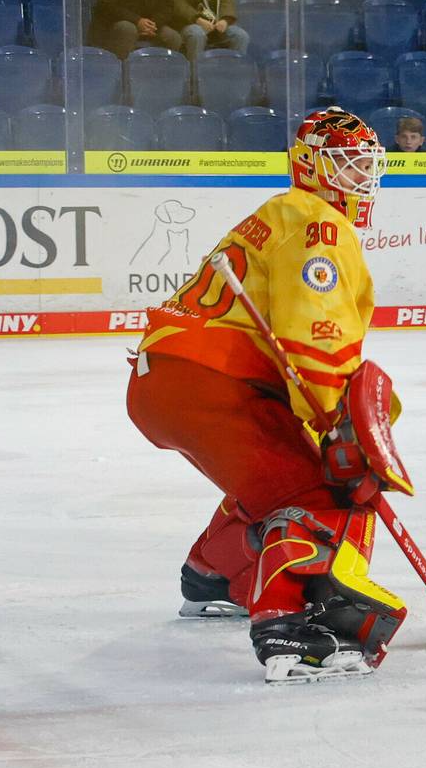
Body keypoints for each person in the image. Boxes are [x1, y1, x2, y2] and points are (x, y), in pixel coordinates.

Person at [127, 108, 409, 680]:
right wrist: (338, 423)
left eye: (365, 164)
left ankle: (213, 575)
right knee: (325, 496)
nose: (360, 176)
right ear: (310, 165)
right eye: (346, 164)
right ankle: (290, 628)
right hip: (214, 381)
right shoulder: (320, 225)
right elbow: (314, 335)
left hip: (167, 379)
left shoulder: (279, 214)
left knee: (276, 479)